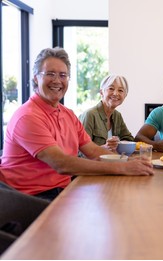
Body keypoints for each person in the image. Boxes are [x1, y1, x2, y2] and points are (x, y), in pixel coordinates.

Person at [0, 47, 154, 201]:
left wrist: (129, 162)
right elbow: (62, 164)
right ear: (35, 78)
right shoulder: (28, 117)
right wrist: (122, 167)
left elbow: (93, 151)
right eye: (50, 74)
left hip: (64, 189)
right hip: (30, 197)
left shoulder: (68, 114)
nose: (57, 80)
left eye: (63, 75)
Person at [79, 74, 134, 153]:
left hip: (112, 162)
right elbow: (80, 152)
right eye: (111, 89)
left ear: (125, 95)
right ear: (101, 92)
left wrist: (119, 143)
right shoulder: (89, 115)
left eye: (120, 90)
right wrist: (103, 148)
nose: (115, 93)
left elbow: (129, 139)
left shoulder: (117, 115)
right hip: (93, 164)